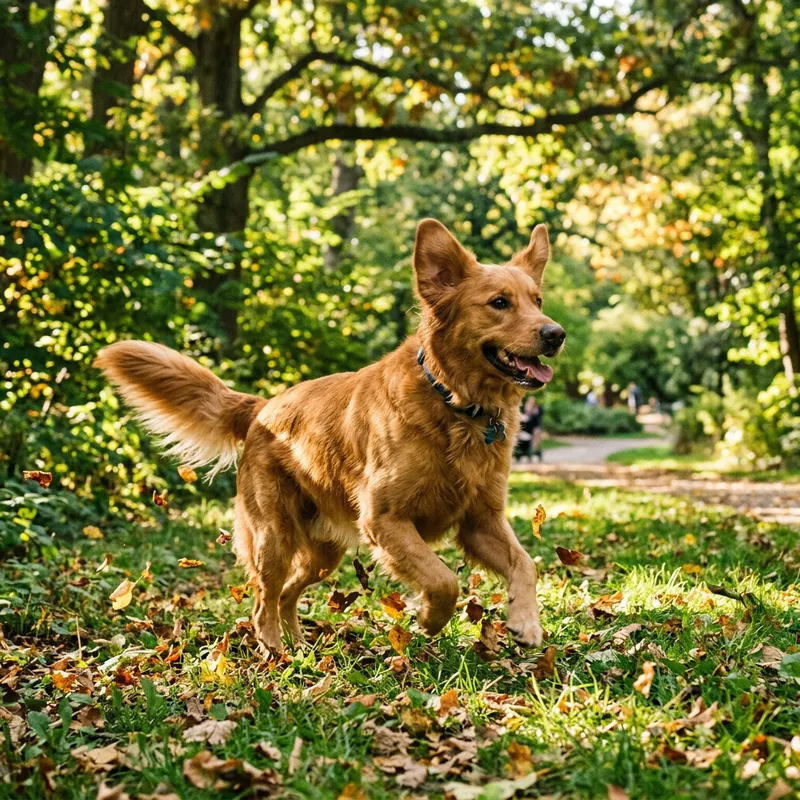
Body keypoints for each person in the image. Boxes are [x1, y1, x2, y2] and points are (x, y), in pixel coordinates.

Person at [515, 396, 544, 462]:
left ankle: (531, 452)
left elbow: (536, 424)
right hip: (525, 431)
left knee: (535, 435)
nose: (528, 407)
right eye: (528, 405)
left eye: (530, 405)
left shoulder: (535, 413)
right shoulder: (524, 413)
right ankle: (519, 452)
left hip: (532, 431)